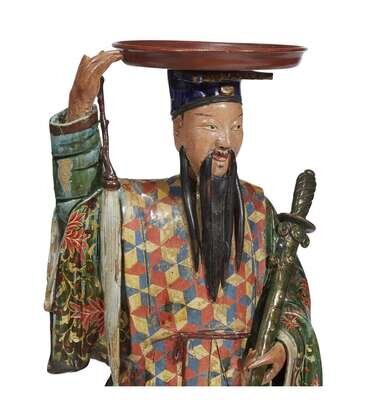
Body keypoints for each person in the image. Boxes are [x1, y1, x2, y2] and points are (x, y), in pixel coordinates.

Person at [44, 50, 322, 386]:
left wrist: (283, 345)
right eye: (210, 126)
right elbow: (83, 220)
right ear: (178, 130)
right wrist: (79, 110)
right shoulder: (137, 208)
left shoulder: (258, 212)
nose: (226, 141)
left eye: (236, 126)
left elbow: (290, 298)